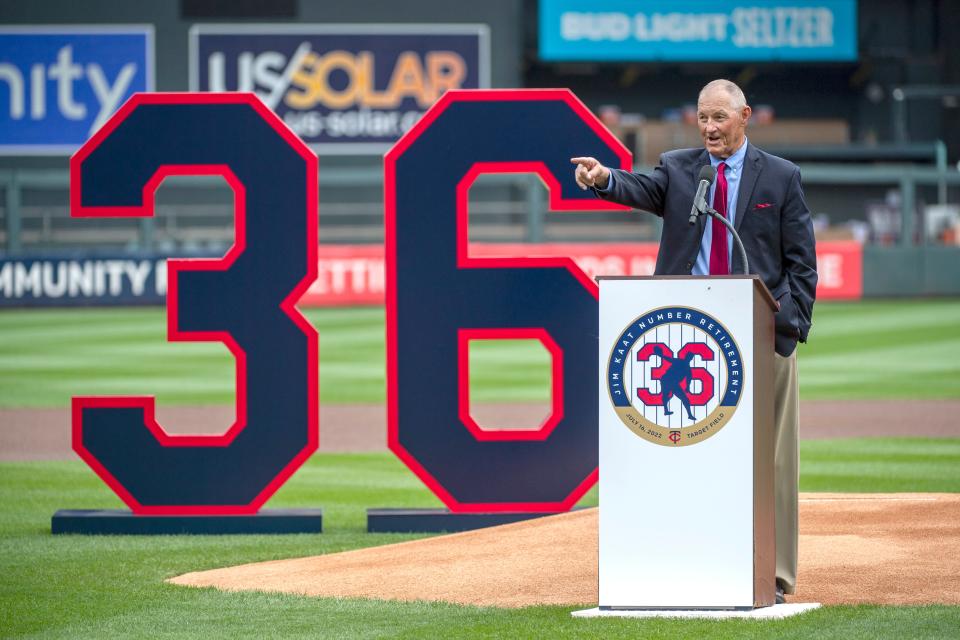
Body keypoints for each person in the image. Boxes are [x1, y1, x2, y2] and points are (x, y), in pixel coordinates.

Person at [572, 79, 817, 604]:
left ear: (744, 115)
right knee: (683, 448)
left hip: (760, 330)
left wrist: (789, 327)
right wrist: (602, 178)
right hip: (688, 331)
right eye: (703, 118)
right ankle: (679, 559)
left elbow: (802, 263)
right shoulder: (681, 168)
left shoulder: (780, 176)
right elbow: (640, 189)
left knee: (772, 459)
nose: (709, 128)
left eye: (719, 118)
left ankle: (774, 574)